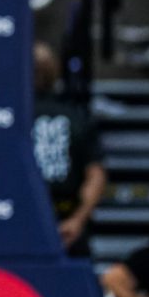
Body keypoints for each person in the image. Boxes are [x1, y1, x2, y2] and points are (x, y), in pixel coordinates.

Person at [32, 42, 105, 256]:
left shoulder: (9, 119)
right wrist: (78, 220)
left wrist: (77, 220)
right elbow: (96, 175)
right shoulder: (76, 116)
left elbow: (96, 175)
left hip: (39, 216)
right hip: (65, 219)